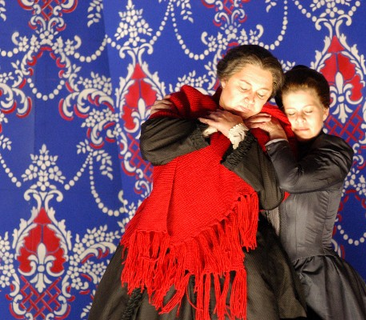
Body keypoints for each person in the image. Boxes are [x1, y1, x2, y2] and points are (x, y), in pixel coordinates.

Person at [88, 45, 306, 320]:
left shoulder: (271, 129)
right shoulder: (186, 105)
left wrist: (239, 132)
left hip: (233, 254)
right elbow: (153, 146)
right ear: (224, 79)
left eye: (261, 94)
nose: (251, 99)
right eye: (244, 86)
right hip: (163, 245)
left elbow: (271, 195)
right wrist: (214, 125)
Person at [248, 66, 366, 319]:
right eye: (291, 112)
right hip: (271, 275)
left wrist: (276, 137)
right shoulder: (271, 150)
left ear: (325, 111)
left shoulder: (335, 152)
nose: (300, 120)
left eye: (308, 111)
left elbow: (291, 180)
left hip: (316, 278)